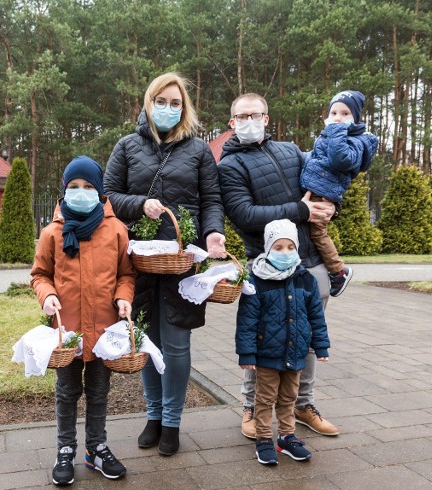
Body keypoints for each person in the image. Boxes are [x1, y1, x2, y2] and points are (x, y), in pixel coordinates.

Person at [104, 72, 226, 457]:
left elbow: (212, 200)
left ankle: (172, 421)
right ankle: (153, 415)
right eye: (162, 101)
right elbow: (107, 196)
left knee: (175, 342)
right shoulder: (126, 146)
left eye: (176, 104)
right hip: (137, 260)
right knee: (146, 340)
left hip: (181, 259)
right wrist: (139, 204)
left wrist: (212, 234)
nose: (169, 109)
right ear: (148, 102)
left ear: (184, 109)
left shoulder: (199, 151)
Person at [217, 92, 339, 440]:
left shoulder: (291, 151)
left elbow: (321, 187)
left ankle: (303, 404)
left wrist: (331, 206)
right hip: (266, 266)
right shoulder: (230, 166)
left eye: (255, 115)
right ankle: (252, 408)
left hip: (310, 262)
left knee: (309, 336)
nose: (249, 122)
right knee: (264, 336)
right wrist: (299, 210)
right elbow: (243, 215)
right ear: (232, 123)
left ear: (267, 119)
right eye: (241, 117)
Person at [30, 155, 136, 486]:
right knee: (67, 391)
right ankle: (65, 449)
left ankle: (96, 447)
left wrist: (124, 297)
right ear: (64, 190)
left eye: (88, 186)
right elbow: (40, 274)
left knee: (100, 390)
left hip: (105, 330)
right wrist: (46, 294)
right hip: (68, 331)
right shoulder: (53, 233)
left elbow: (126, 274)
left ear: (100, 190)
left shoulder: (116, 230)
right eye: (74, 186)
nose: (81, 192)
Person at [237, 219, 330, 465]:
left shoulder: (305, 279)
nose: (286, 253)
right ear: (268, 249)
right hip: (267, 354)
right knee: (265, 398)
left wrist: (321, 345)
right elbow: (247, 320)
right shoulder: (256, 280)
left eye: (290, 247)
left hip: (296, 353)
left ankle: (287, 437)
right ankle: (264, 438)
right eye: (278, 248)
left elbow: (316, 316)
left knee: (289, 397)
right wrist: (246, 354)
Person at [301, 90, 379, 297]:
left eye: (345, 113)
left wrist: (336, 130)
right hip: (315, 186)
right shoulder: (333, 135)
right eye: (333, 112)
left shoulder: (358, 140)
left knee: (318, 233)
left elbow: (341, 160)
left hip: (323, 192)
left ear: (356, 118)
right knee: (309, 232)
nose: (337, 118)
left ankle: (338, 272)